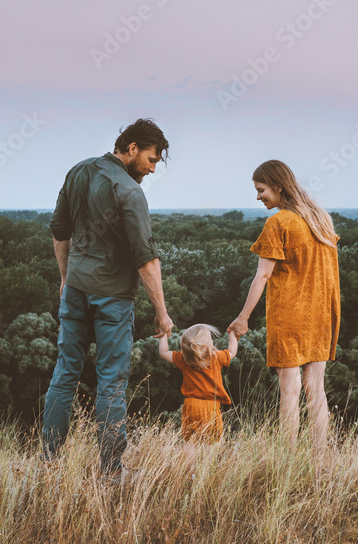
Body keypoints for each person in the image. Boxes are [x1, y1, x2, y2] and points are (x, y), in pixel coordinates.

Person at [43, 118, 175, 476]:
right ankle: (111, 470)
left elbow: (59, 232)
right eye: (150, 159)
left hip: (75, 291)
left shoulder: (79, 172)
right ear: (132, 149)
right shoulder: (130, 192)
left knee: (64, 374)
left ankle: (49, 462)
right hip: (113, 299)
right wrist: (162, 313)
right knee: (112, 383)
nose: (151, 169)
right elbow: (146, 259)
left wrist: (66, 279)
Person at [226, 160, 340, 449]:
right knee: (317, 389)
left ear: (277, 186)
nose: (258, 196)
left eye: (261, 189)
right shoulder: (320, 219)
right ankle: (320, 459)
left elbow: (262, 275)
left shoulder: (279, 222)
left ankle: (285, 461)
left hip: (289, 315)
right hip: (321, 315)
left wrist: (243, 317)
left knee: (289, 391)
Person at [157, 324, 238, 443]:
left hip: (191, 405)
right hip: (210, 407)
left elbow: (163, 352)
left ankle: (190, 462)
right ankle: (208, 462)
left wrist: (163, 334)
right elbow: (232, 351)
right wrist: (233, 334)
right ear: (209, 345)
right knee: (211, 443)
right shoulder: (216, 357)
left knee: (191, 441)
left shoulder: (183, 359)